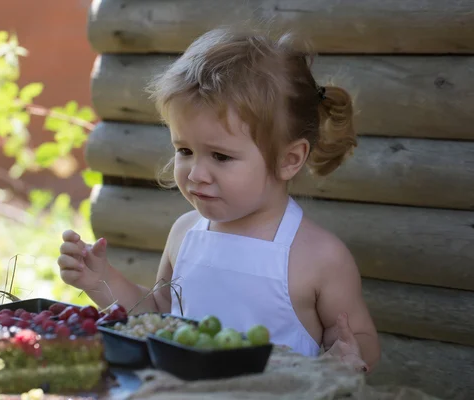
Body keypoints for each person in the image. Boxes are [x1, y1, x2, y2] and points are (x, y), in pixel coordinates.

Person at [58, 27, 380, 372]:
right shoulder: (185, 234)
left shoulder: (319, 256)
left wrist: (348, 355)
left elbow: (360, 339)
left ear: (289, 159)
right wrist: (101, 280)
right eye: (184, 150)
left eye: (220, 157)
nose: (196, 173)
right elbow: (158, 315)